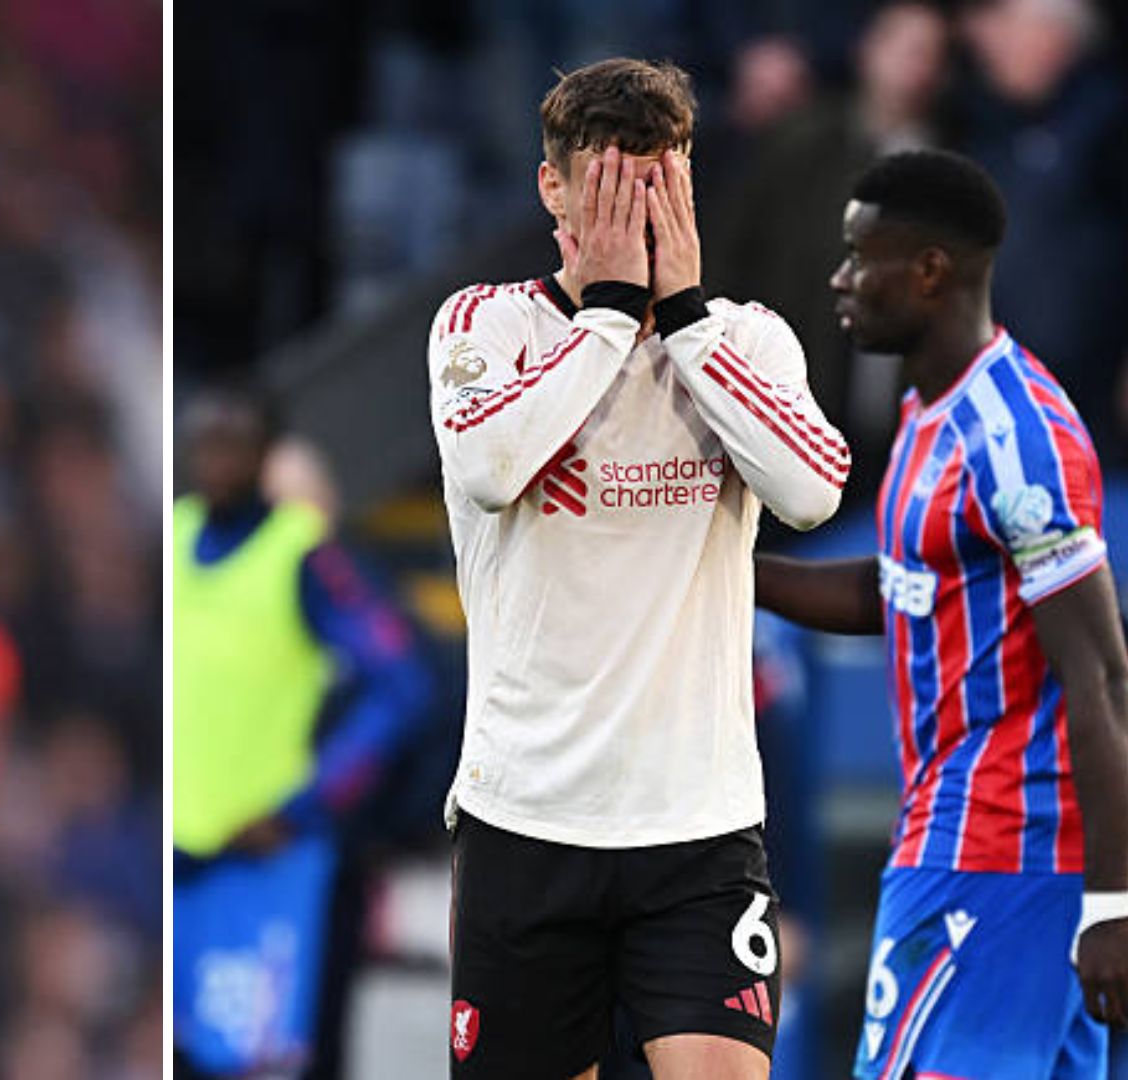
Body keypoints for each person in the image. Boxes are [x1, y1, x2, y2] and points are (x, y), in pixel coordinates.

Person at [428, 58, 849, 1079]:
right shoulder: (485, 324)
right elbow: (489, 468)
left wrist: (688, 318)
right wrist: (609, 316)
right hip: (527, 821)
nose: (632, 214)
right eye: (608, 188)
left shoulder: (745, 339)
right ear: (552, 189)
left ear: (689, 184)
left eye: (655, 185)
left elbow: (812, 490)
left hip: (697, 832)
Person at [755, 148, 1128, 1079]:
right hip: (958, 845)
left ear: (928, 271)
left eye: (859, 255)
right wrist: (723, 569)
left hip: (998, 859)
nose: (840, 279)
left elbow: (1104, 675)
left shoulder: (1020, 439)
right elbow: (898, 593)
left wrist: (1113, 904)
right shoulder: (928, 415)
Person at [172, 384, 431, 1077]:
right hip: (175, 858)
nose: (218, 455)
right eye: (206, 439)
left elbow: (402, 687)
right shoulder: (172, 533)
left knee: (264, 1058)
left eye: (236, 440)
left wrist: (305, 806)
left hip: (261, 861)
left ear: (265, 451)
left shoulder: (304, 554)